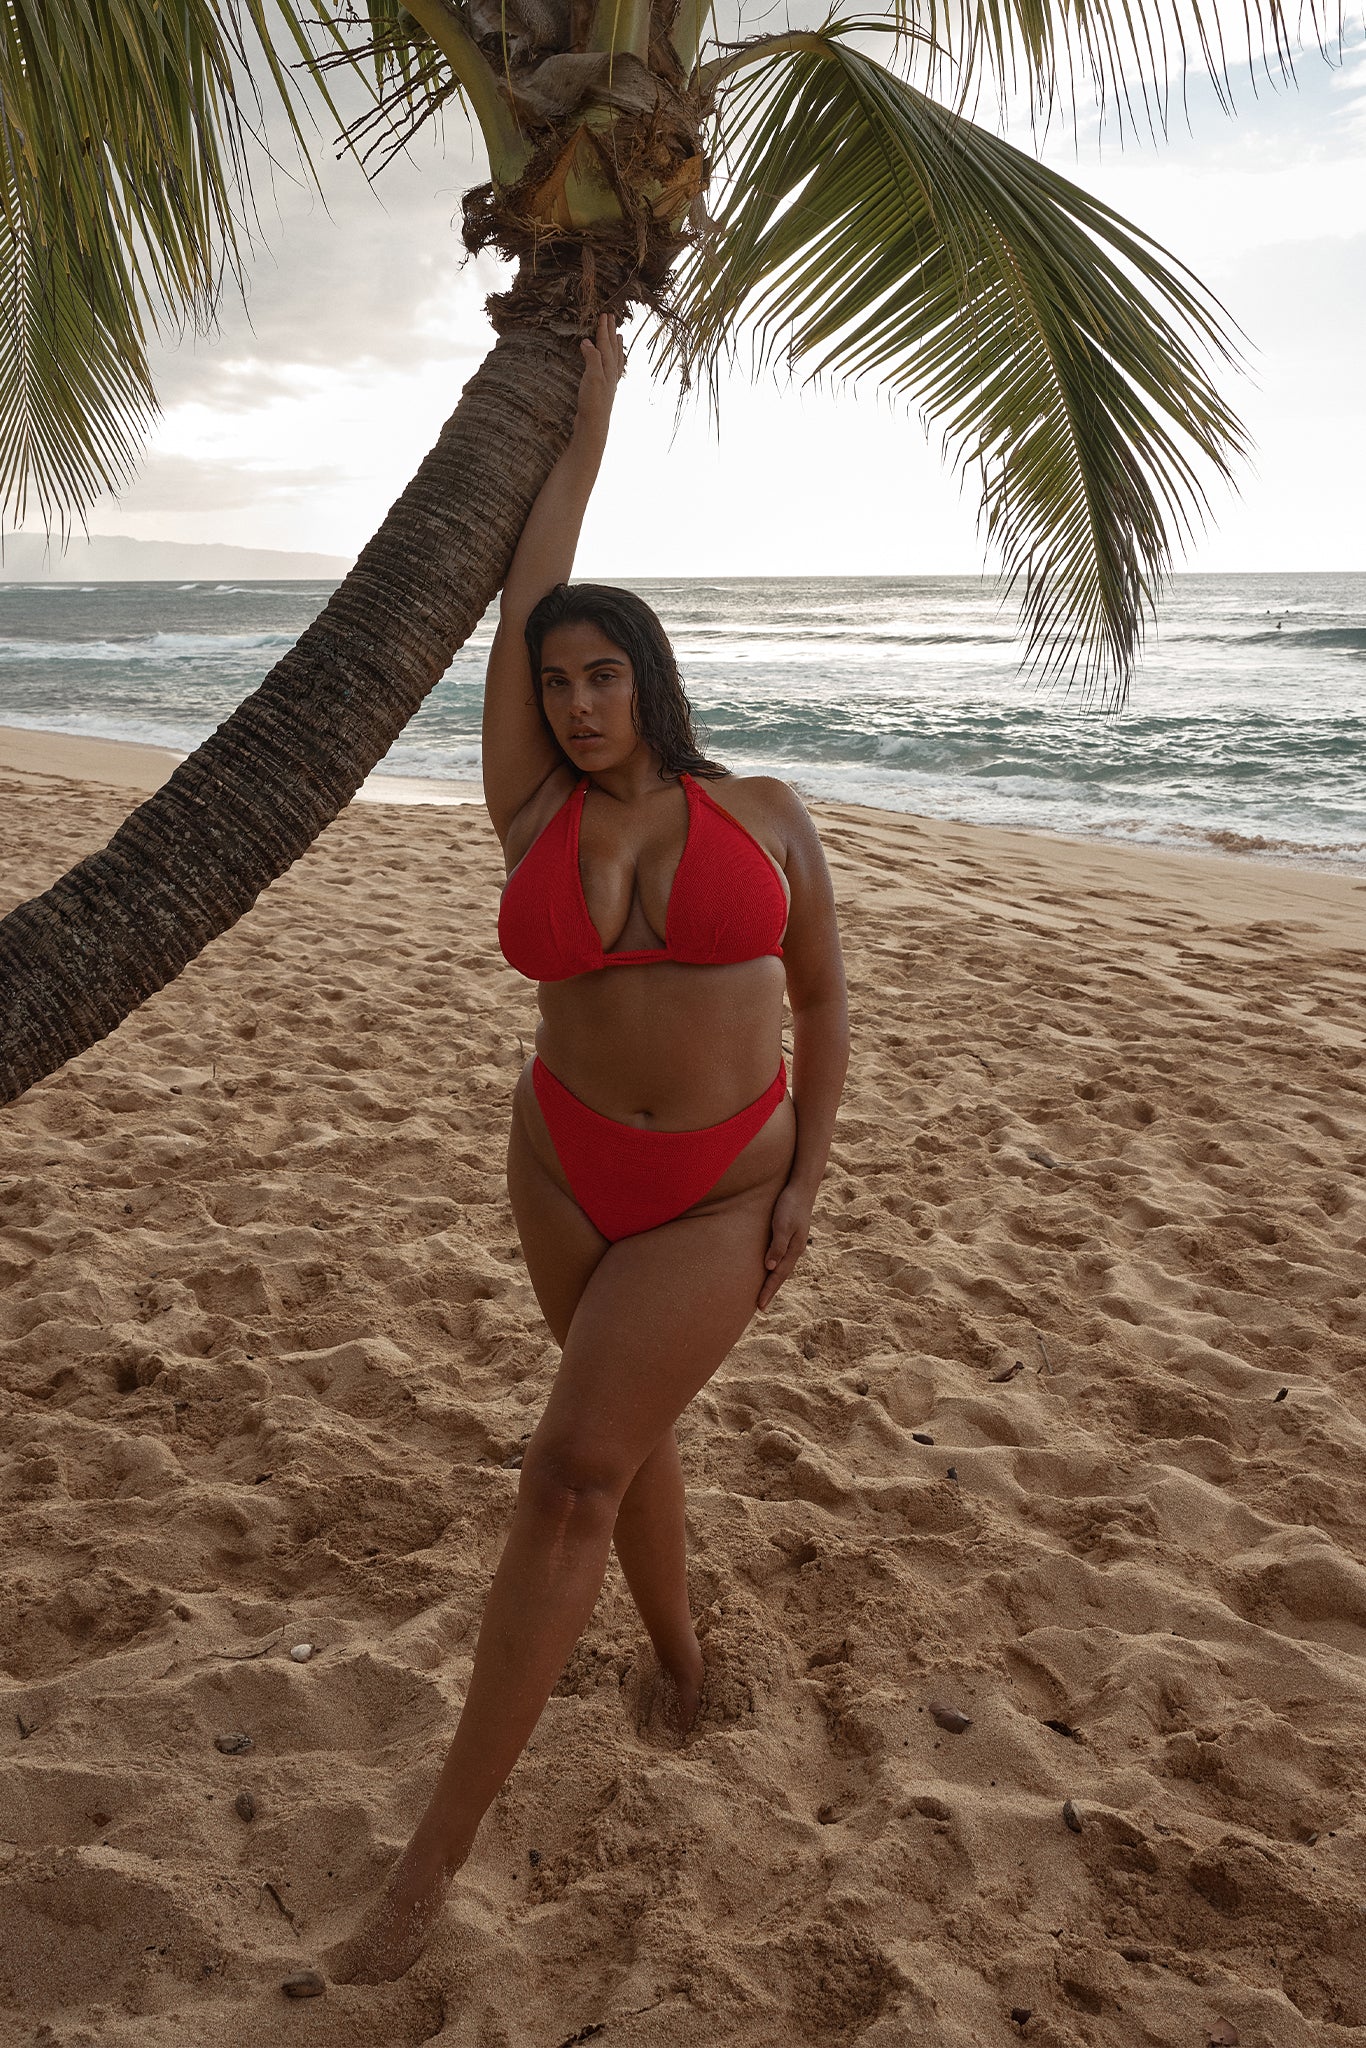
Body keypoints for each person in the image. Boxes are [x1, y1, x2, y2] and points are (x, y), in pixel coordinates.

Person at [329, 314, 849, 1983]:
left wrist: (807, 1183)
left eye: (600, 673)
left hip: (722, 1186)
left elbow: (826, 1008)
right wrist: (573, 415)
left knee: (566, 1472)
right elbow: (523, 580)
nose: (571, 701)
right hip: (556, 1162)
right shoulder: (532, 810)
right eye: (551, 683)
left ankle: (422, 1872)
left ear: (651, 676)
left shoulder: (764, 810)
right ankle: (685, 1664)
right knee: (613, 1436)